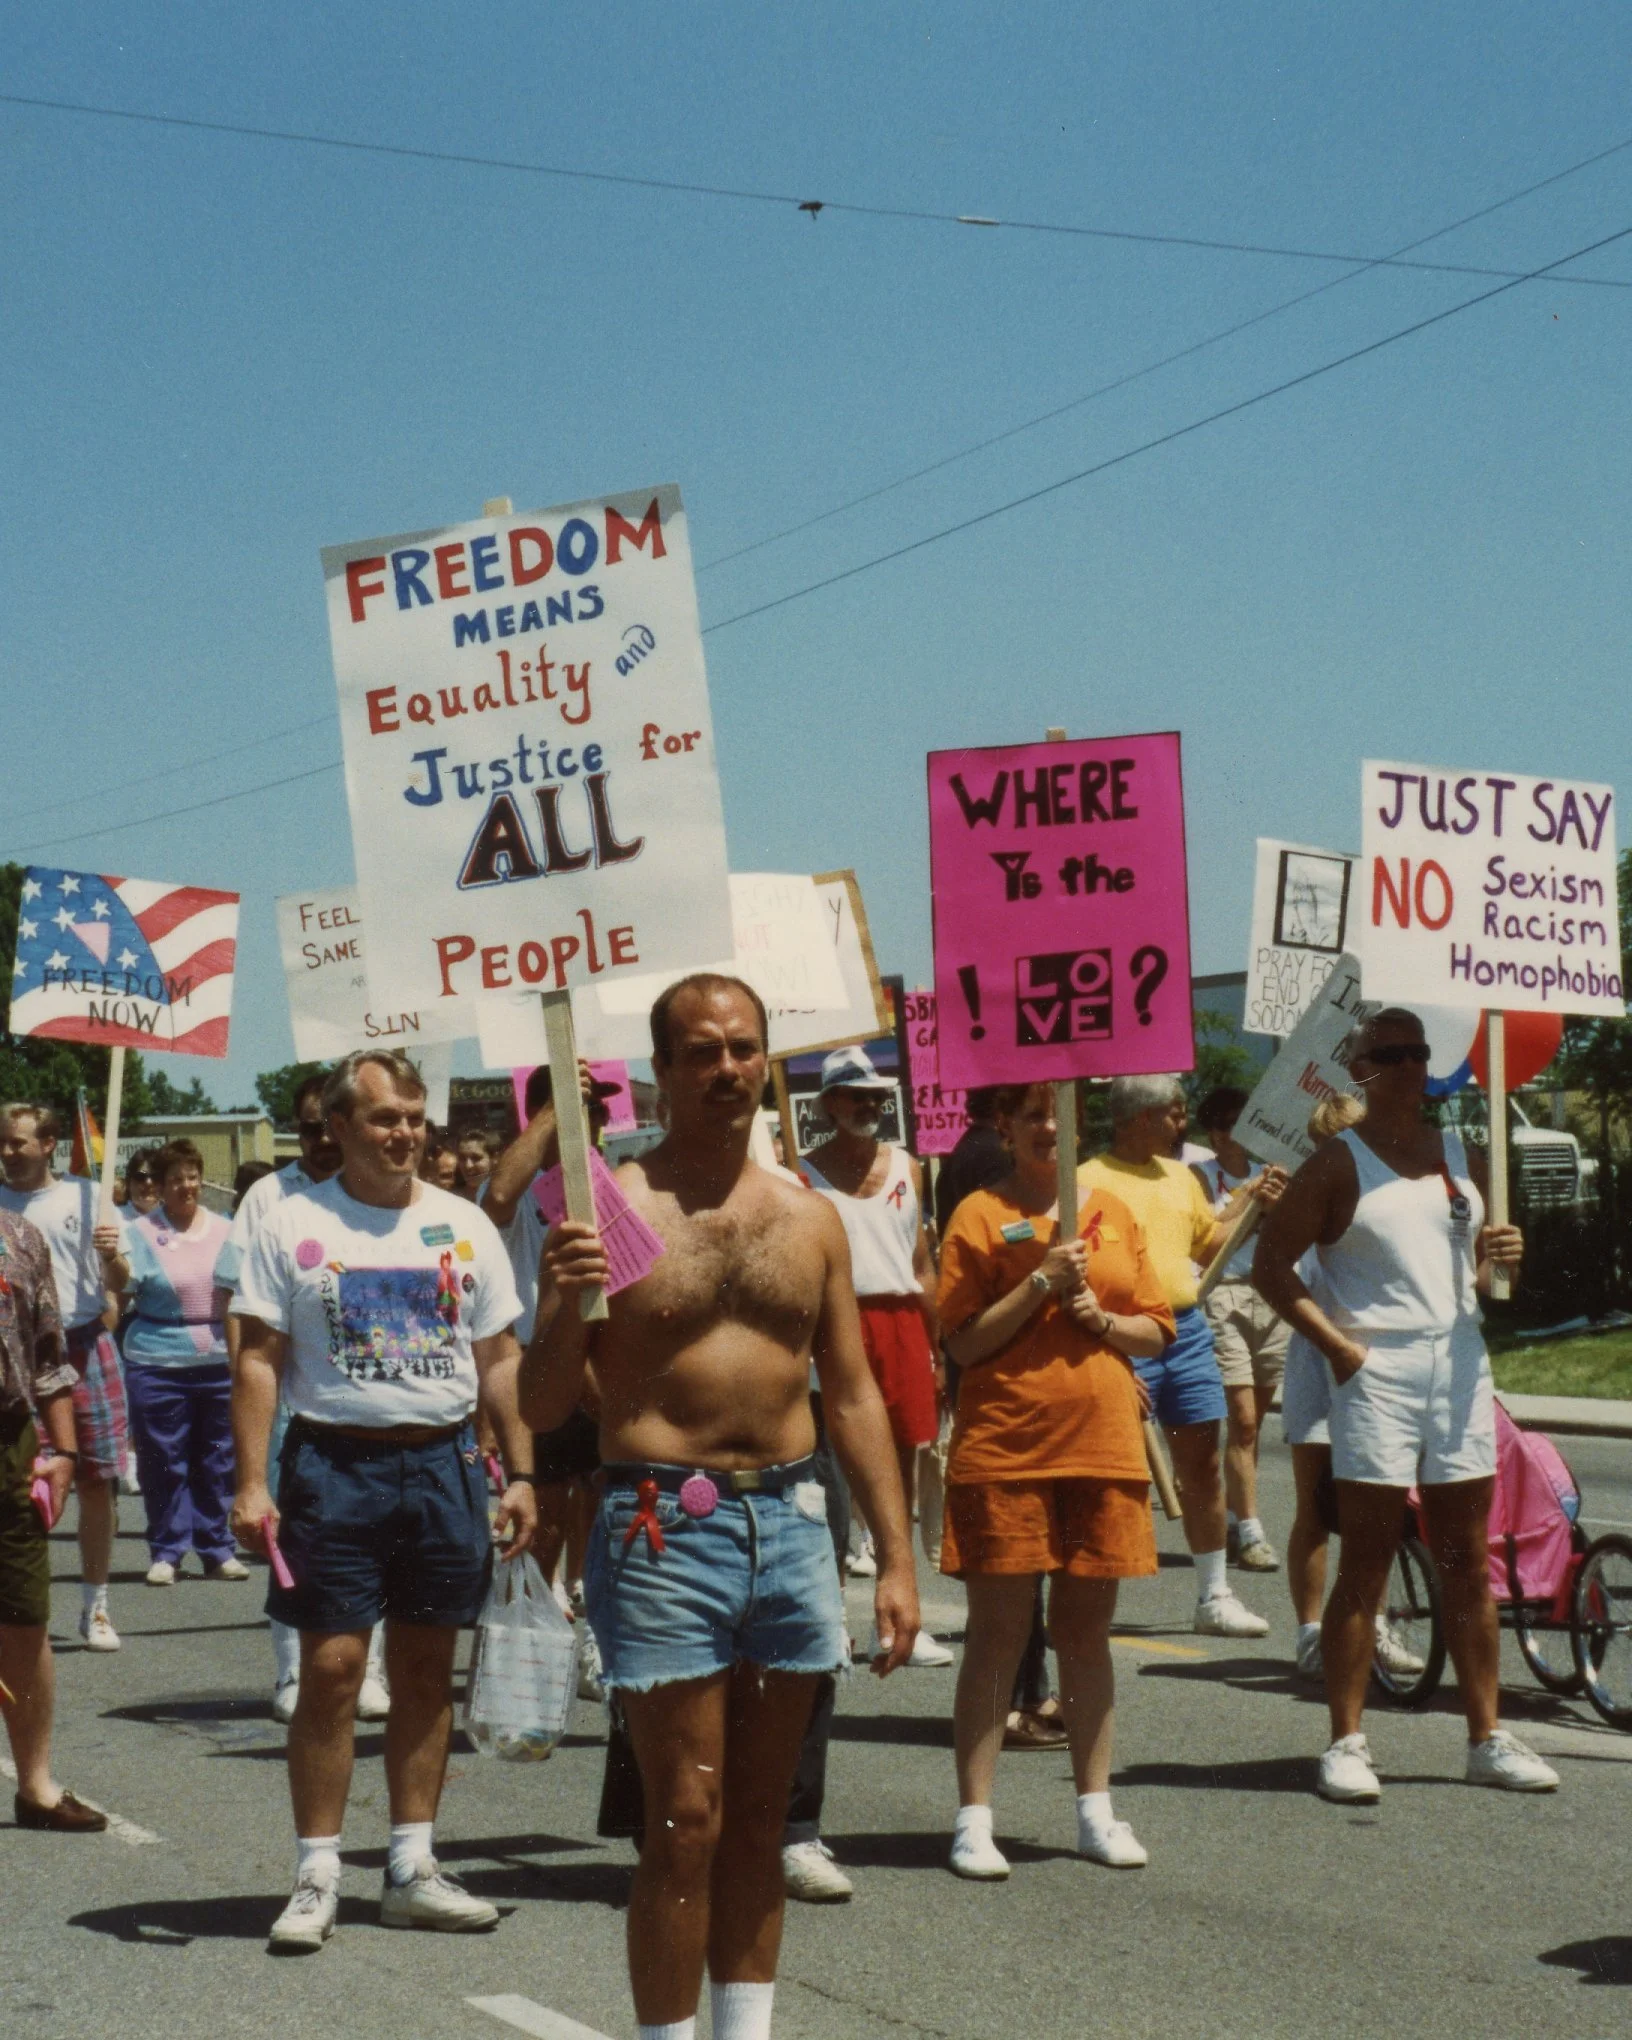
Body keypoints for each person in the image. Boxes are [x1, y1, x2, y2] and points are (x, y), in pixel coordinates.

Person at [522, 973, 919, 2040]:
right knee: (683, 1818)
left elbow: (853, 1393)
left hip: (792, 1522)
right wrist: (565, 1300)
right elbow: (545, 1401)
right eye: (701, 1052)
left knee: (761, 1821)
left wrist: (896, 1555)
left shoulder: (810, 1216)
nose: (728, 1069)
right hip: (663, 1526)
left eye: (745, 1048)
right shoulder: (608, 1208)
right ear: (661, 1070)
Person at [229, 1049, 539, 1950]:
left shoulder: (464, 1223)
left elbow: (501, 1357)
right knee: (330, 1672)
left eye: (414, 1116)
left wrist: (519, 1471)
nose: (404, 1133)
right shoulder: (290, 1218)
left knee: (423, 1670)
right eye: (382, 1118)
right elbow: (257, 1357)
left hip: (443, 1470)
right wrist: (251, 1481)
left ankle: (411, 1865)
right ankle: (317, 1871)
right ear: (336, 1126)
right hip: (333, 1467)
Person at [1254, 1007, 1559, 1803]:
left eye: (1417, 1051)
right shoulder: (1336, 1162)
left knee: (1466, 1556)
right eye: (1388, 1053)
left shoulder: (1462, 1153)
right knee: (1368, 1556)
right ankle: (1347, 1742)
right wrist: (1341, 1348)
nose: (1407, 1065)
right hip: (1378, 1365)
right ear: (1358, 1067)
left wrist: (1507, 1262)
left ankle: (1485, 1736)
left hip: (1458, 1355)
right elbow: (1272, 1268)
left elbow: (1492, 1283)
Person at [937, 1082, 1173, 1879]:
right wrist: (1037, 1280)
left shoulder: (1113, 1206)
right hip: (1007, 1448)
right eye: (1033, 1114)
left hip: (1101, 1446)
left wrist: (1098, 1318)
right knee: (999, 1637)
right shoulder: (977, 1212)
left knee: (1085, 1634)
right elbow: (964, 1344)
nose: (1047, 1127)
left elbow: (1154, 1329)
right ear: (1004, 1124)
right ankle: (975, 1820)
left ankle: (1094, 1812)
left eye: (1060, 1114)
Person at [216, 1073, 389, 1726]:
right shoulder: (269, 1196)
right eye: (308, 1128)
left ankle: (368, 1669)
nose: (319, 1140)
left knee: (374, 1534)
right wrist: (246, 1385)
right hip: (288, 1396)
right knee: (292, 1534)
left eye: (329, 1126)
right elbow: (237, 1301)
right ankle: (293, 1670)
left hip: (366, 1391)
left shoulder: (379, 1191)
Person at [1079, 1076, 1271, 1638]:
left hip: (1184, 1331)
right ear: (1137, 1118)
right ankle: (1086, 1602)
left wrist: (1253, 1198)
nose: (1180, 1123)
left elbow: (1208, 1243)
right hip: (1118, 1335)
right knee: (1110, 1475)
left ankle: (1214, 1595)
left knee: (1203, 1466)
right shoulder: (1085, 1183)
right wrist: (1106, 1348)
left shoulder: (1181, 1177)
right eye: (1172, 1113)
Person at [800, 1045, 950, 1669]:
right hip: (836, 1324)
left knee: (903, 1478)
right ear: (830, 1103)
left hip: (902, 1323)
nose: (868, 1105)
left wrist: (938, 1346)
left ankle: (902, 1619)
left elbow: (920, 1262)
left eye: (876, 1096)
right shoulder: (799, 1177)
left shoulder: (908, 1168)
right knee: (830, 1478)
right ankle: (830, 1617)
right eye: (856, 1095)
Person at [0, 1103, 130, 1655]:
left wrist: (112, 1260)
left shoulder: (87, 1196)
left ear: (50, 1142)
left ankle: (95, 1603)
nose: (7, 1151)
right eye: (2, 1142)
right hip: (17, 1357)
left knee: (96, 1480)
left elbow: (123, 1279)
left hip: (84, 1342)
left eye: (18, 1142)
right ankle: (22, 1602)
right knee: (25, 1481)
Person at [0, 1202, 108, 1831]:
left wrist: (64, 1451)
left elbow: (47, 1356)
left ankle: (36, 1785)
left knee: (23, 1616)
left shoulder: (19, 1237)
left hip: (9, 1443)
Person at [115, 1138, 243, 1585]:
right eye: (175, 1179)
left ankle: (217, 1547)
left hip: (217, 1362)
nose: (185, 1186)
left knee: (218, 1459)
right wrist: (108, 1258)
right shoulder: (138, 1231)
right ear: (161, 1185)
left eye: (192, 1177)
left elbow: (239, 1298)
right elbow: (120, 1288)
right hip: (156, 1363)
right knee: (163, 1459)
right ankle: (167, 1551)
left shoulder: (228, 1228)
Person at [1190, 1087, 1290, 1572]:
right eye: (1229, 1125)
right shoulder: (1201, 1176)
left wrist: (1275, 1203)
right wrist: (1249, 1202)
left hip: (1269, 1297)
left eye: (1246, 1123)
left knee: (1255, 1423)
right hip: (1223, 1295)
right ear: (1214, 1133)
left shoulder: (1270, 1175)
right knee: (1243, 1419)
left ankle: (1233, 1518)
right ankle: (1251, 1532)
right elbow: (1203, 1235)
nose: (1239, 1135)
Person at [456, 1129, 500, 1202]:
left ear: (494, 1158)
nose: (468, 1166)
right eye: (462, 1158)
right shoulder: (452, 1200)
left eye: (476, 1158)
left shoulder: (507, 1200)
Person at [120, 1149, 163, 1217]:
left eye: (155, 1177)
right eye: (140, 1176)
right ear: (128, 1182)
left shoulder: (176, 1220)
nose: (148, 1182)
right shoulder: (112, 1218)